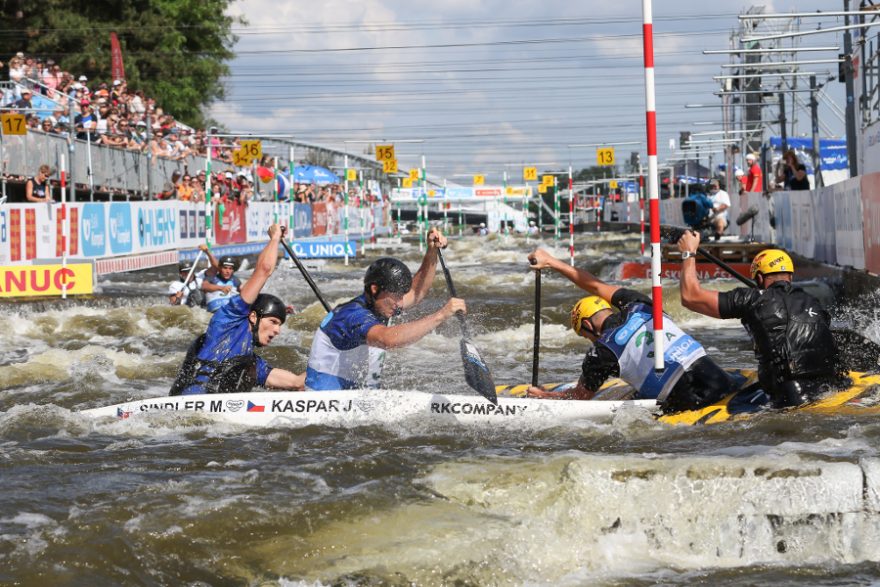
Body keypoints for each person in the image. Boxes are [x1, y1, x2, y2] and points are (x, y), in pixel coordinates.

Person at [525, 248, 734, 413]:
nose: (589, 341)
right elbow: (595, 286)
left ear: (587, 326)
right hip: (719, 378)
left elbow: (580, 398)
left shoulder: (601, 351)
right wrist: (551, 261)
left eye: (584, 335)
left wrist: (544, 396)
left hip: (692, 400)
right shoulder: (638, 303)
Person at [677, 231, 844, 407]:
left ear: (759, 278)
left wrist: (688, 253)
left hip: (789, 399)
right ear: (790, 277)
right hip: (829, 390)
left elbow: (690, 297)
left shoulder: (752, 299)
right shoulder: (813, 301)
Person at [305, 228, 466, 390]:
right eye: (396, 296)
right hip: (326, 402)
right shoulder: (353, 315)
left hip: (356, 398)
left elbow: (418, 292)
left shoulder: (383, 303)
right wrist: (441, 315)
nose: (400, 303)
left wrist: (432, 251)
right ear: (375, 289)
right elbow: (387, 339)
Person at [169, 224, 305, 395]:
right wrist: (275, 239)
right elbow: (263, 271)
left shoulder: (252, 362)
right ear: (253, 317)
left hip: (215, 419)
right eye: (273, 322)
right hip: (183, 412)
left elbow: (297, 383)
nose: (277, 330)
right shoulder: (225, 324)